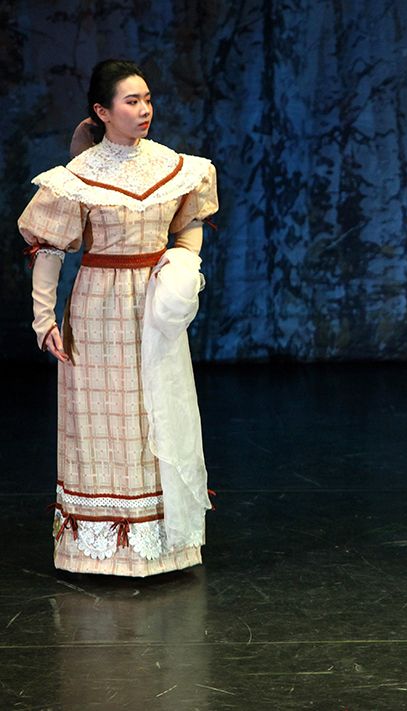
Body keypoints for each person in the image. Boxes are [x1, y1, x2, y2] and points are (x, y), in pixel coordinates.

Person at [18, 59, 218, 576]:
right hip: (99, 307)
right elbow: (49, 250)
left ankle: (163, 544)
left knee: (154, 411)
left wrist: (182, 265)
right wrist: (44, 320)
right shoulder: (78, 177)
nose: (144, 109)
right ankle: (101, 550)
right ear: (102, 112)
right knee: (101, 418)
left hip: (154, 304)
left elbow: (190, 223)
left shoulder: (174, 166)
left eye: (147, 99)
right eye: (132, 101)